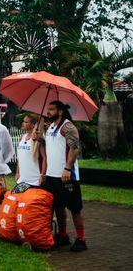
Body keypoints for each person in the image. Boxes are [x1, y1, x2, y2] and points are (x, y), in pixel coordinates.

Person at [42, 100, 86, 252]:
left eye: (51, 109)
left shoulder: (68, 127)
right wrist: (39, 138)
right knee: (58, 206)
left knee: (74, 208)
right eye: (48, 109)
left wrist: (67, 168)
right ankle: (63, 235)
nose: (48, 112)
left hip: (66, 175)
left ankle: (81, 239)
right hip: (52, 175)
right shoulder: (51, 126)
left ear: (60, 111)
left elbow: (75, 148)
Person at [15, 113, 46, 193]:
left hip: (35, 180)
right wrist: (17, 172)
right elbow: (20, 158)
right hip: (22, 179)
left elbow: (44, 158)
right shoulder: (22, 138)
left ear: (32, 125)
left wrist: (42, 175)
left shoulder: (38, 140)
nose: (23, 123)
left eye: (26, 122)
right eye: (23, 121)